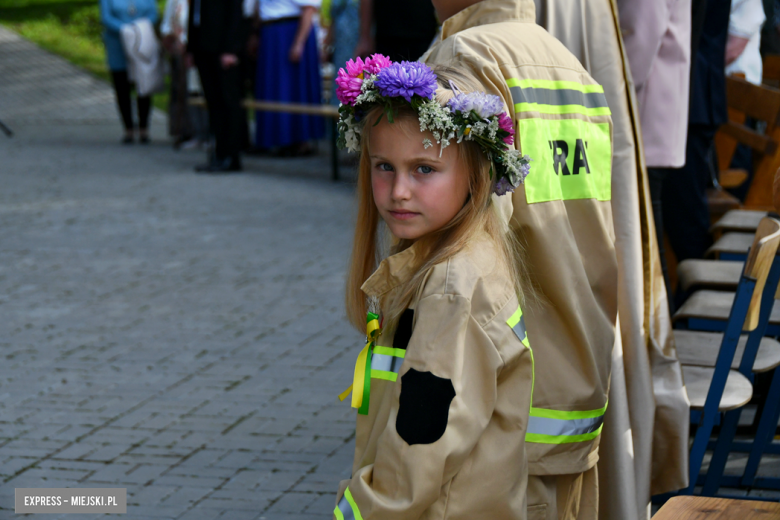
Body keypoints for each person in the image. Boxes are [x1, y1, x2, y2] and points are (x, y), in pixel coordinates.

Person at [424, 1, 618, 518]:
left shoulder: (465, 56)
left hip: (506, 402)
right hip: (578, 383)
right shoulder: (571, 66)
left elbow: (455, 243)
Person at [332, 57, 534, 519]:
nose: (399, 190)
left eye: (424, 169)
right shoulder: (460, 260)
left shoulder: (450, 286)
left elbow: (418, 447)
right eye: (384, 166)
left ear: (476, 174)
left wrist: (359, 513)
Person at [255, 0, 325, 156]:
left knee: (290, 88)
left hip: (289, 31)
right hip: (271, 32)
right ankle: (274, 138)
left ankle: (297, 140)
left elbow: (309, 8)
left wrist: (299, 43)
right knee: (272, 88)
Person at [187, 0, 245, 172]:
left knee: (228, 102)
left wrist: (230, 49)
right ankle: (218, 154)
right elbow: (195, 13)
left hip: (222, 48)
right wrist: (191, 48)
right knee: (213, 103)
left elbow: (235, 14)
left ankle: (231, 157)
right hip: (202, 47)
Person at [99, 0, 158, 144]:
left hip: (141, 45)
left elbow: (153, 14)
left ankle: (144, 128)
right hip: (117, 45)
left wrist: (137, 28)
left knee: (143, 85)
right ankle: (128, 129)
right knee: (121, 86)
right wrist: (125, 29)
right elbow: (105, 17)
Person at [161, 0, 194, 148]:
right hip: (178, 49)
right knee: (178, 90)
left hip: (193, 48)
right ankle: (180, 129)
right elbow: (167, 24)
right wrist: (173, 39)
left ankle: (196, 130)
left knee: (192, 91)